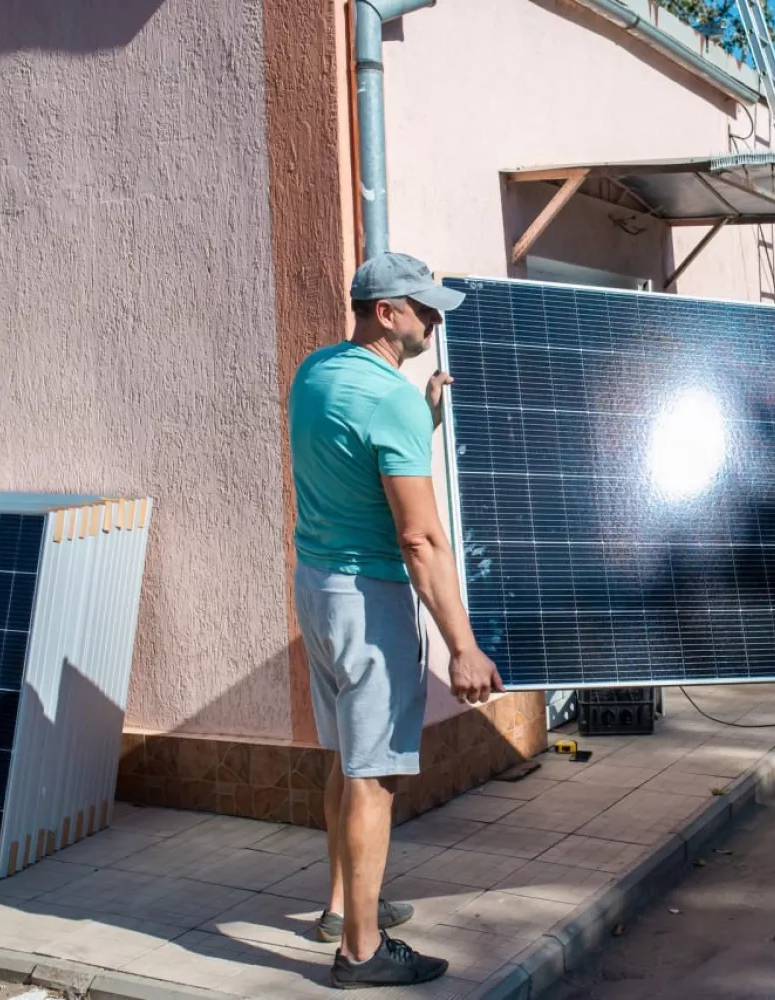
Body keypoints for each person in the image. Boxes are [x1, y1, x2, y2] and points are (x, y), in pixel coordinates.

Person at [287, 251, 505, 987]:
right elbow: (419, 537)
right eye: (424, 309)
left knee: (346, 759)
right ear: (387, 313)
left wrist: (426, 415)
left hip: (318, 585)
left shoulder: (316, 372)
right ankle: (360, 952)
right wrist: (462, 647)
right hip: (370, 597)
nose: (435, 320)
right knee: (375, 775)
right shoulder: (391, 401)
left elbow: (356, 454)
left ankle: (341, 906)